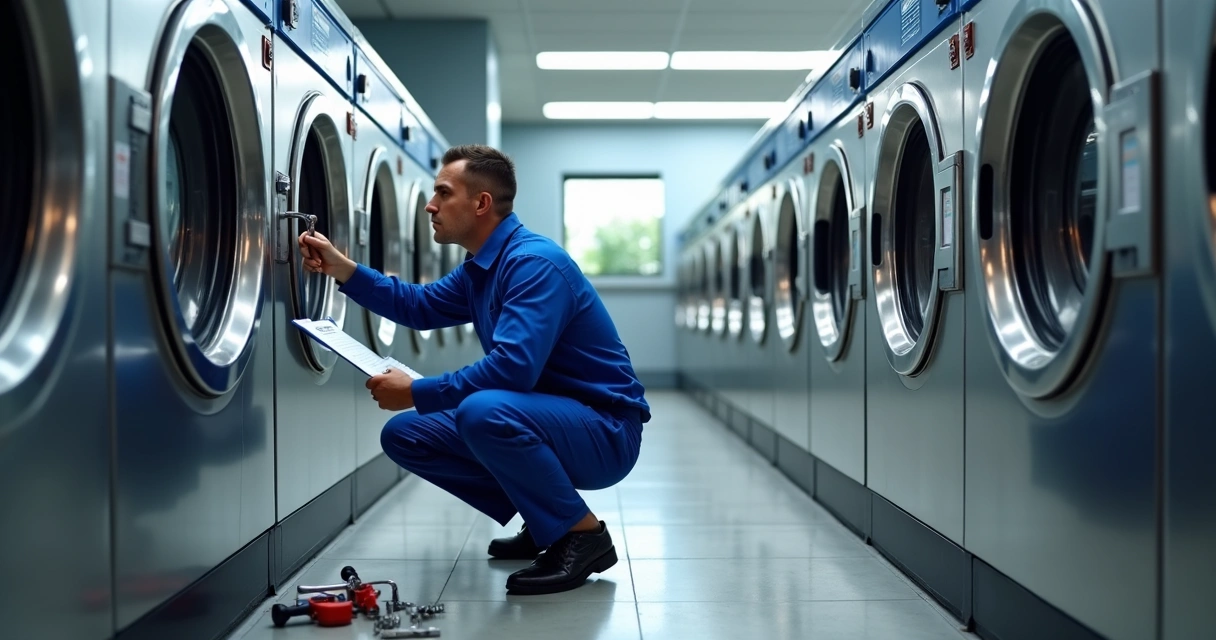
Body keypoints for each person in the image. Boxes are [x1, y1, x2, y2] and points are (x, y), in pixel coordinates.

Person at [297, 144, 650, 595]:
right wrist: (342, 269)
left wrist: (418, 391)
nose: (430, 204)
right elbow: (418, 306)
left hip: (605, 431)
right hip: (553, 418)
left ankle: (582, 536)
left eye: (443, 193)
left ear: (481, 203)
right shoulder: (482, 268)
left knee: (482, 411)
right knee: (405, 436)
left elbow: (512, 371)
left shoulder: (533, 264)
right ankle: (547, 516)